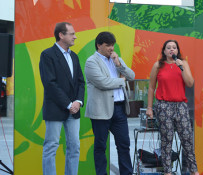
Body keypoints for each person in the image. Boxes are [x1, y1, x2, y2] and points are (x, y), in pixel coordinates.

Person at [84, 31, 135, 175]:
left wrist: (119, 64)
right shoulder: (91, 62)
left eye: (112, 45)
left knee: (124, 145)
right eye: (108, 45)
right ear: (99, 45)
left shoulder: (116, 59)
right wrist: (121, 81)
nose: (111, 48)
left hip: (119, 109)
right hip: (101, 111)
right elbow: (103, 83)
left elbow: (131, 76)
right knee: (100, 146)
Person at [146, 40, 199, 175]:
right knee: (166, 139)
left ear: (177, 50)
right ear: (164, 51)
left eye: (174, 48)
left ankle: (194, 170)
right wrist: (150, 108)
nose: (171, 50)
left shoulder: (183, 63)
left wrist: (181, 67)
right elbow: (151, 87)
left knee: (187, 138)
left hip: (180, 105)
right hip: (163, 106)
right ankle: (168, 172)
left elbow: (190, 83)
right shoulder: (158, 65)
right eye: (168, 48)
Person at [39, 22, 85, 175]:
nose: (75, 36)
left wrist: (78, 102)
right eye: (72, 34)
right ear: (61, 35)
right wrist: (68, 104)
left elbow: (80, 82)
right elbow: (50, 84)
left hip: (74, 110)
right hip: (56, 109)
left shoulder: (74, 56)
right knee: (51, 146)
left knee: (74, 147)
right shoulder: (47, 55)